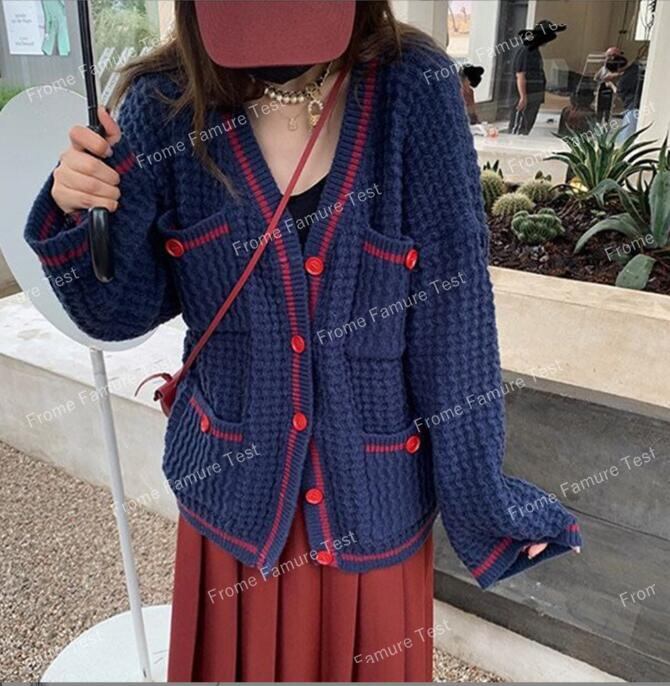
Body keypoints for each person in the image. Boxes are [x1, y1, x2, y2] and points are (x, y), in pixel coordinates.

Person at [23, 1, 581, 681]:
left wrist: (483, 499)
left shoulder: (413, 89)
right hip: (234, 511)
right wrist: (83, 209)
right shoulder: (164, 103)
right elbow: (117, 311)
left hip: (371, 510)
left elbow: (454, 324)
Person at [509, 19, 567, 135]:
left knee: (527, 125)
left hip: (534, 95)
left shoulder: (535, 50)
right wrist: (523, 97)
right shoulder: (526, 50)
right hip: (526, 95)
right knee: (519, 126)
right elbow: (520, 75)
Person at [615, 56, 645, 143]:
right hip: (636, 105)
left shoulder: (625, 79)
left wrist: (611, 84)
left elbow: (619, 92)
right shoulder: (636, 68)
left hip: (633, 107)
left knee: (626, 138)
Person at [594, 46, 624, 123]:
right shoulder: (604, 68)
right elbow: (597, 78)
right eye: (607, 56)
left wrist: (616, 76)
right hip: (603, 95)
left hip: (617, 108)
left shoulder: (621, 68)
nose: (607, 59)